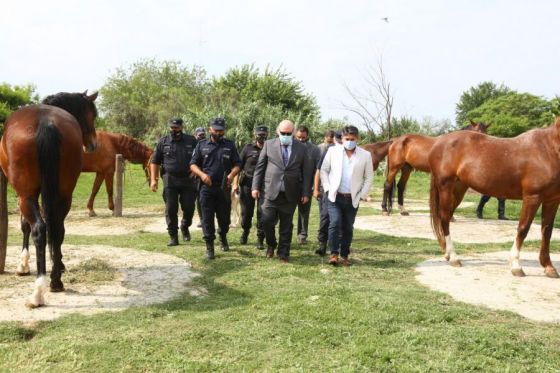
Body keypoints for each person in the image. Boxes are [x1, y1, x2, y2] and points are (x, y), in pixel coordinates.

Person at [251, 119, 313, 263]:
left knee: (286, 225)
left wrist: (305, 193)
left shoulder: (302, 148)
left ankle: (283, 252)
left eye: (288, 133)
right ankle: (271, 244)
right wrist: (255, 187)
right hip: (269, 191)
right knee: (266, 221)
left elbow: (306, 172)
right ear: (278, 132)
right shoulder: (268, 144)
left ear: (293, 132)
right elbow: (260, 168)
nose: (285, 135)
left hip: (290, 193)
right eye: (283, 133)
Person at [320, 125, 374, 266]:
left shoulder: (365, 155)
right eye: (347, 139)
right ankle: (333, 254)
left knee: (348, 227)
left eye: (352, 139)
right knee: (335, 223)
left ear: (358, 139)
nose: (349, 141)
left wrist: (362, 194)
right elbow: (324, 170)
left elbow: (369, 177)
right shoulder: (333, 151)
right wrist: (327, 187)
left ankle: (344, 255)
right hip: (335, 195)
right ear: (342, 139)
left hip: (352, 197)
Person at [190, 117, 241, 259]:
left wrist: (231, 175)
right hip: (206, 187)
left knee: (224, 219)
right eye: (216, 130)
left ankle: (223, 236)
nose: (219, 133)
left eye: (221, 131)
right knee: (207, 218)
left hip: (223, 188)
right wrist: (202, 175)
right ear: (210, 130)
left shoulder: (230, 145)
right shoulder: (201, 145)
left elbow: (237, 164)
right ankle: (209, 247)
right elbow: (193, 164)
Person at [150, 118, 198, 246]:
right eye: (172, 127)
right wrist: (153, 180)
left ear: (182, 127)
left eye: (176, 127)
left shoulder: (191, 141)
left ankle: (185, 225)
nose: (174, 130)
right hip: (170, 179)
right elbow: (154, 162)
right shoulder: (163, 142)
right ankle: (173, 236)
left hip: (188, 179)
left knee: (189, 207)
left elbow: (200, 157)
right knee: (171, 208)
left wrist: (197, 170)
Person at [235, 126, 268, 248]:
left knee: (262, 212)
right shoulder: (248, 148)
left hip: (264, 185)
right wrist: (235, 183)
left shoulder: (270, 148)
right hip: (247, 183)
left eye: (263, 134)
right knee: (246, 212)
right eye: (259, 134)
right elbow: (238, 166)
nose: (261, 136)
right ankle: (245, 232)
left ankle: (260, 238)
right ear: (255, 135)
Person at [294, 125, 321, 245]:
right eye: (299, 137)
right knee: (287, 211)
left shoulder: (314, 150)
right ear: (295, 135)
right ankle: (286, 233)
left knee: (304, 211)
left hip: (306, 185)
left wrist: (314, 187)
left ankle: (302, 235)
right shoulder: (290, 147)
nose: (301, 140)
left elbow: (317, 170)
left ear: (307, 136)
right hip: (291, 185)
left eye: (303, 137)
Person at [193, 127, 206, 228]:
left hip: (206, 175)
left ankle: (206, 218)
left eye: (203, 135)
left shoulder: (208, 144)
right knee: (198, 199)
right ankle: (202, 219)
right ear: (195, 135)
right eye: (200, 135)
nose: (202, 136)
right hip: (194, 176)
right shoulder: (192, 146)